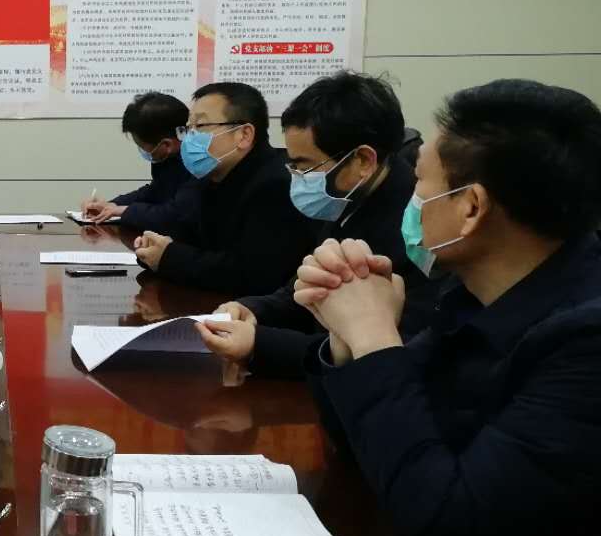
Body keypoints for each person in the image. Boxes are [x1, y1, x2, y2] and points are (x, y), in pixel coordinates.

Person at [294, 79, 601, 536]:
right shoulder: (472, 295)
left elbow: (449, 523)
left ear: (471, 207)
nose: (412, 200)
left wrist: (375, 336)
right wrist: (345, 336)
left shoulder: (586, 340)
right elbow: (367, 443)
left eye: (420, 182)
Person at [196, 71, 440, 378]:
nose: (297, 177)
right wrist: (253, 310)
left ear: (363, 160)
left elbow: (391, 350)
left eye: (306, 166)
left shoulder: (417, 231)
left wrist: (260, 343)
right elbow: (306, 289)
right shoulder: (348, 199)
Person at [131, 82, 316, 297]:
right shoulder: (210, 177)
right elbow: (183, 235)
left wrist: (168, 258)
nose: (189, 138)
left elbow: (253, 275)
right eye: (187, 128)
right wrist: (151, 248)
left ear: (244, 135)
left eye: (200, 126)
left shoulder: (276, 184)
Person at [80, 91, 200, 233]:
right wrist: (111, 205)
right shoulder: (169, 157)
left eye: (142, 146)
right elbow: (155, 192)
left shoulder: (199, 164)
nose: (142, 151)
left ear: (167, 145)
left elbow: (175, 215)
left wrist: (125, 210)